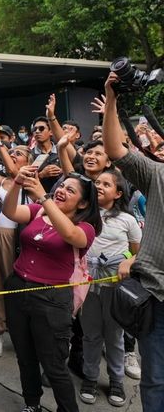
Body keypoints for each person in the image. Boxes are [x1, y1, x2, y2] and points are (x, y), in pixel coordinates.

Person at [2, 163, 102, 412]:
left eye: (71, 190)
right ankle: (32, 404)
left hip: (51, 299)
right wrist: (16, 182)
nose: (62, 191)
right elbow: (10, 211)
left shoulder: (85, 228)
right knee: (25, 357)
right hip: (17, 288)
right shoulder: (38, 212)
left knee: (54, 364)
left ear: (83, 204)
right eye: (62, 186)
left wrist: (44, 196)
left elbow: (69, 235)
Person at [101, 71, 164, 411]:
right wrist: (112, 98)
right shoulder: (160, 175)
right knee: (155, 380)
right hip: (157, 297)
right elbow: (115, 150)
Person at [78, 169, 140, 407]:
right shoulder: (84, 215)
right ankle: (90, 378)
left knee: (115, 337)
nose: (99, 186)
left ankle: (116, 380)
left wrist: (128, 261)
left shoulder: (127, 220)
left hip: (115, 288)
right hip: (88, 287)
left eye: (106, 184)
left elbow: (139, 252)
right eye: (96, 182)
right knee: (91, 335)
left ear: (118, 193)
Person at [0, 145, 34, 358]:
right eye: (11, 152)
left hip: (19, 236)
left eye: (19, 154)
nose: (13, 156)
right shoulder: (0, 180)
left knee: (17, 284)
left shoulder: (31, 182)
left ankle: (20, 332)